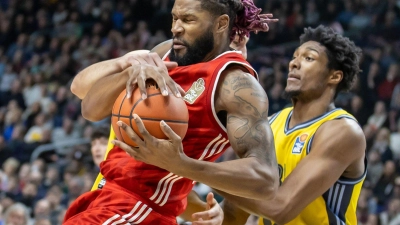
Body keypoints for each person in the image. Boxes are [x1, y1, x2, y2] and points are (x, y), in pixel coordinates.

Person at [65, 0, 279, 225]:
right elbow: (90, 110)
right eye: (175, 18)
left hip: (138, 210)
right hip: (102, 198)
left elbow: (265, 180)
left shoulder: (235, 84)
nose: (176, 27)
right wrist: (128, 73)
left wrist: (181, 165)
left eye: (188, 19)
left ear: (221, 24)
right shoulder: (165, 52)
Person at [199, 25, 365, 225]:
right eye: (295, 56)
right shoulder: (270, 123)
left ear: (334, 76)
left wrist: (189, 167)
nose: (294, 64)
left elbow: (280, 208)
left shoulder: (342, 131)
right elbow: (236, 213)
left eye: (308, 58)